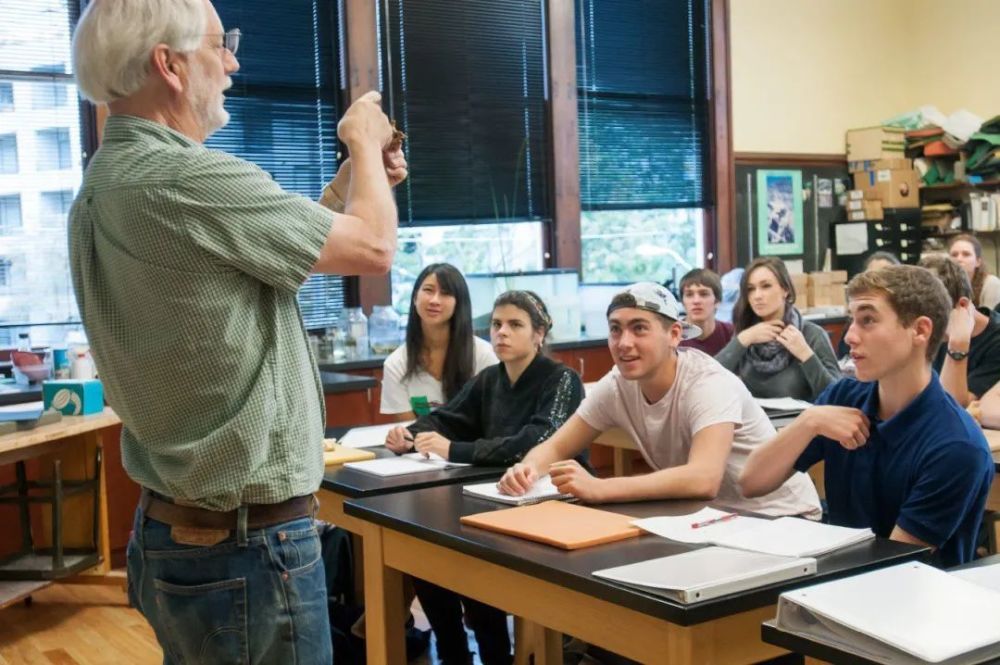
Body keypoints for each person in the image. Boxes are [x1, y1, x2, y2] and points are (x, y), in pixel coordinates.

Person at [69, 1, 406, 662]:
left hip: (177, 531)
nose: (233, 62)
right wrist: (364, 142)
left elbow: (255, 268)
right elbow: (374, 249)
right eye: (220, 46)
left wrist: (345, 188)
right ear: (168, 63)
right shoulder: (189, 178)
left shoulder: (108, 183)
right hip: (247, 548)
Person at [498, 282, 821, 520]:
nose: (624, 343)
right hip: (712, 518)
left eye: (639, 329)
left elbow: (702, 478)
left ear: (675, 335)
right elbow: (556, 446)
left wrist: (600, 487)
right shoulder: (617, 384)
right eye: (615, 330)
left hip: (782, 518)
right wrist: (526, 470)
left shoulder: (707, 382)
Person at [739, 265, 993, 567]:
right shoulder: (844, 397)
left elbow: (891, 566)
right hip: (841, 582)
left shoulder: (956, 446)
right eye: (852, 320)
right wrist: (809, 421)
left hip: (908, 601)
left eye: (868, 320)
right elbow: (751, 482)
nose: (850, 336)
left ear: (920, 330)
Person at [386, 290, 583, 665]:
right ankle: (452, 649)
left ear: (540, 334)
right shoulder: (490, 378)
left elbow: (532, 443)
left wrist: (453, 450)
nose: (501, 333)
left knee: (472, 556)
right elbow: (447, 418)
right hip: (495, 495)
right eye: (496, 325)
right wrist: (408, 434)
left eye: (515, 325)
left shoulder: (562, 380)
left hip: (551, 499)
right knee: (428, 552)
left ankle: (494, 652)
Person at [380, 263, 498, 420]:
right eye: (428, 290)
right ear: (415, 297)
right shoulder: (396, 364)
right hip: (421, 442)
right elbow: (409, 430)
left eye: (445, 293)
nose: (434, 300)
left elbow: (494, 420)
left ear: (459, 303)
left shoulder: (484, 356)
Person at [716, 257, 840, 401]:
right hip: (755, 421)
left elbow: (836, 396)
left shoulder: (812, 335)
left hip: (802, 420)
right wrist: (742, 340)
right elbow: (710, 380)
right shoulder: (746, 334)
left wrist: (805, 354)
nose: (757, 296)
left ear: (785, 290)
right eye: (750, 289)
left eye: (766, 286)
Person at [919, 254, 1000, 407]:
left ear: (962, 306)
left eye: (932, 316)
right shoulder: (930, 330)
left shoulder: (995, 342)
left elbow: (953, 406)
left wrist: (957, 345)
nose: (925, 327)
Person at [836, 251, 902, 358]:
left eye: (882, 277)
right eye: (870, 276)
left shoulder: (906, 322)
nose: (874, 283)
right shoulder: (854, 322)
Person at [678, 267, 733, 356]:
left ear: (717, 301)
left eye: (704, 294)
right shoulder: (671, 335)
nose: (696, 301)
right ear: (683, 302)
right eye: (689, 294)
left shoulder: (731, 334)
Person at [949, 234, 1000, 310]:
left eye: (966, 254)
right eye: (954, 255)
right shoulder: (944, 285)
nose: (959, 259)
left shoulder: (991, 284)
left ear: (978, 262)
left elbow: (992, 321)